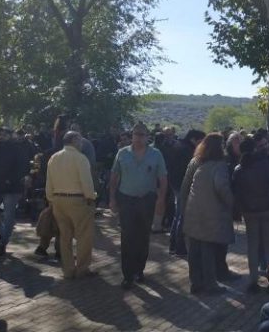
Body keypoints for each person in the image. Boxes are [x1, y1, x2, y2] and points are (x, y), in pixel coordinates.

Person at [109, 123, 168, 289]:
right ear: (132, 135)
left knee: (143, 237)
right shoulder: (122, 153)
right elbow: (114, 177)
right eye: (136, 134)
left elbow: (163, 179)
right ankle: (127, 275)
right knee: (127, 237)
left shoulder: (156, 154)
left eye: (142, 134)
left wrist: (161, 200)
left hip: (146, 200)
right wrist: (112, 199)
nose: (138, 137)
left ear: (147, 136)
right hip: (126, 200)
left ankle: (139, 270)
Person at [179, 133, 234, 295]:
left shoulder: (195, 161)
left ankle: (196, 283)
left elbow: (184, 187)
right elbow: (221, 187)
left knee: (194, 250)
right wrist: (232, 203)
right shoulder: (220, 165)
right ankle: (210, 284)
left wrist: (183, 209)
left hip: (192, 210)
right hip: (212, 213)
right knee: (208, 248)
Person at [45, 131, 97, 279]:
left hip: (58, 200)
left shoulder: (53, 158)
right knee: (84, 235)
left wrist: (51, 199)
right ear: (74, 140)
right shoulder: (80, 158)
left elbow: (49, 182)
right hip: (77, 200)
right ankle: (82, 268)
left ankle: (68, 269)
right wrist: (91, 197)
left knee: (64, 237)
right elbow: (86, 182)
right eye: (80, 140)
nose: (82, 143)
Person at [233, 136, 269, 292]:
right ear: (254, 148)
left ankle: (253, 281)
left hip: (249, 211)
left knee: (252, 246)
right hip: (268, 208)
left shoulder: (239, 169)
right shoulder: (265, 164)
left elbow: (236, 192)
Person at [0, 127, 28, 257]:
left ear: (11, 135)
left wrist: (11, 179)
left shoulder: (18, 148)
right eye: (0, 134)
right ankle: (4, 235)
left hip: (12, 188)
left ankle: (2, 244)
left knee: (9, 216)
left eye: (5, 134)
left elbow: (23, 167)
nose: (2, 136)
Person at [168, 129, 205, 257]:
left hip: (174, 183)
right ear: (194, 139)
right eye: (200, 141)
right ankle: (179, 247)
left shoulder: (177, 145)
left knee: (178, 215)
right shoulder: (188, 150)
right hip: (183, 185)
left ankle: (173, 245)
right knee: (182, 217)